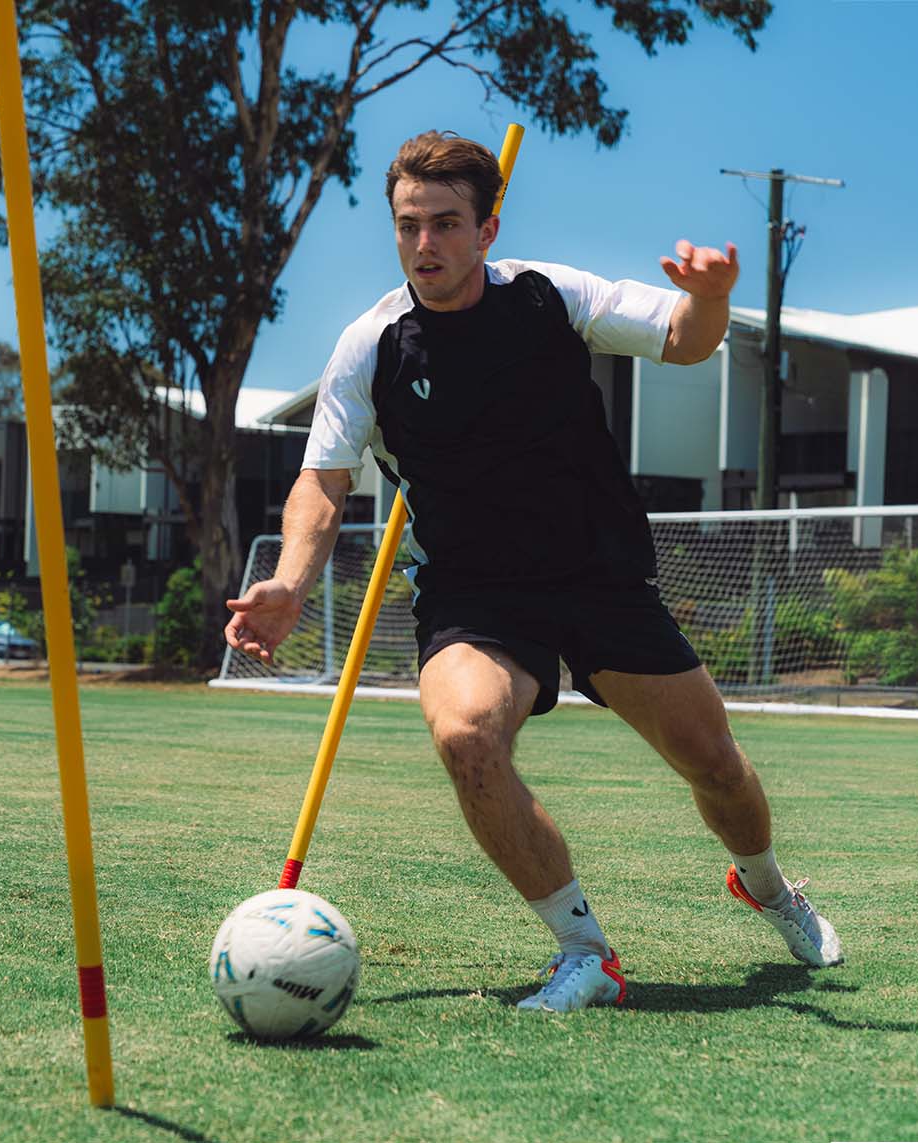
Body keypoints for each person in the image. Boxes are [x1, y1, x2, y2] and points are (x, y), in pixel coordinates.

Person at [224, 130, 842, 1014]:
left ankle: (769, 887)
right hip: (474, 595)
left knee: (716, 765)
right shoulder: (372, 346)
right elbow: (320, 482)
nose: (424, 245)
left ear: (487, 228)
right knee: (467, 736)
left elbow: (683, 338)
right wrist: (288, 580)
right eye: (408, 226)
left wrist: (712, 299)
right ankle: (585, 950)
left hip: (599, 577)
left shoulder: (550, 296)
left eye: (445, 224)